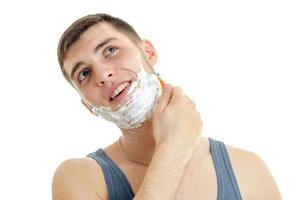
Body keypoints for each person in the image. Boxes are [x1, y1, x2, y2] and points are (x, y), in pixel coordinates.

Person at [52, 13, 281, 200]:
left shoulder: (248, 170)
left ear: (148, 52)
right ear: (88, 106)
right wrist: (173, 147)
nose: (102, 74)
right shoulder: (79, 178)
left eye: (110, 50)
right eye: (84, 73)